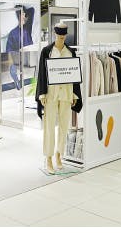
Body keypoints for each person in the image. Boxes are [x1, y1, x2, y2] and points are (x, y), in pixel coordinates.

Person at [35, 22, 83, 174]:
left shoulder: (70, 52)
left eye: (63, 35)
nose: (61, 37)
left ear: (66, 35)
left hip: (66, 93)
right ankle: (48, 157)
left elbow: (74, 74)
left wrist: (75, 95)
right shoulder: (47, 51)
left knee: (64, 126)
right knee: (49, 126)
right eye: (59, 34)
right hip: (51, 93)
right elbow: (42, 73)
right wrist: (42, 93)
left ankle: (59, 155)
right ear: (55, 34)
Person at [5, 5, 34, 90]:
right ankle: (16, 81)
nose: (24, 16)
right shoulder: (13, 33)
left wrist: (22, 10)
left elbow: (32, 10)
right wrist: (11, 61)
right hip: (17, 57)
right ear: (18, 16)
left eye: (25, 14)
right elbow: (9, 50)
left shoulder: (28, 29)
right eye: (22, 14)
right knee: (12, 69)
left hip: (28, 56)